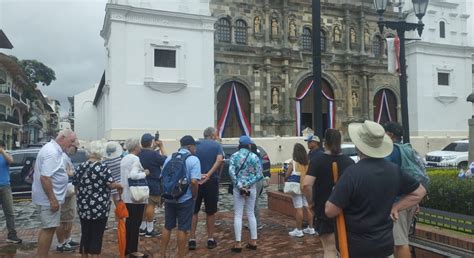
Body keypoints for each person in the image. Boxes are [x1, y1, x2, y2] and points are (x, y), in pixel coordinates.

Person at [325, 120, 426, 258]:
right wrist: (396, 207)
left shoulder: (352, 173)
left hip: (357, 248)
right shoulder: (393, 170)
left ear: (358, 146)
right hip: (385, 245)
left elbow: (330, 210)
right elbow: (419, 192)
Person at [303, 129, 355, 257]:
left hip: (323, 207)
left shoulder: (317, 161)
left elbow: (306, 185)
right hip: (346, 208)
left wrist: (311, 202)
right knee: (346, 247)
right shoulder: (349, 162)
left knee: (330, 248)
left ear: (325, 142)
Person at [73, 140, 123, 258]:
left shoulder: (81, 166)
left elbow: (76, 187)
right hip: (99, 207)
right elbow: (111, 184)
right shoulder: (102, 167)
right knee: (96, 235)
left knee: (85, 233)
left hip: (83, 207)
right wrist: (119, 185)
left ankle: (84, 255)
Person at [32, 129, 77, 258]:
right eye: (71, 141)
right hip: (48, 200)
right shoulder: (52, 152)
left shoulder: (54, 150)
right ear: (62, 138)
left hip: (48, 199)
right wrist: (53, 200)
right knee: (48, 229)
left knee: (48, 228)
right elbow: (45, 178)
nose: (72, 144)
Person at [160, 135, 201, 258]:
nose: (196, 149)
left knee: (168, 226)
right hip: (185, 198)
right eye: (194, 146)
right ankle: (181, 255)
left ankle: (163, 254)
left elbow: (162, 177)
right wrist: (194, 195)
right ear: (190, 146)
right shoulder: (194, 160)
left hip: (169, 197)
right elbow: (194, 182)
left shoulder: (169, 158)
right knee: (182, 228)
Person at [384, 121, 418, 258]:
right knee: (401, 239)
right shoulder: (407, 149)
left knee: (400, 242)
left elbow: (384, 175)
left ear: (390, 134)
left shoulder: (391, 151)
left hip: (398, 204)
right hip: (410, 201)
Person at [189, 127, 223, 250]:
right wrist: (208, 174)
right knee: (210, 211)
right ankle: (210, 239)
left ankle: (192, 239)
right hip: (210, 181)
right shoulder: (216, 145)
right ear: (213, 136)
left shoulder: (195, 145)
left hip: (195, 180)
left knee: (194, 210)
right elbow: (220, 160)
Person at [229, 136, 262, 253]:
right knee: (251, 213)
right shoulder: (254, 156)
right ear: (249, 145)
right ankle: (253, 241)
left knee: (238, 214)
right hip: (251, 188)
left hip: (238, 189)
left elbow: (231, 172)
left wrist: (240, 185)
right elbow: (259, 175)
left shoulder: (234, 156)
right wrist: (248, 184)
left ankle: (238, 243)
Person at [120, 138, 149, 256]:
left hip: (126, 195)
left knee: (129, 223)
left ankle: (127, 248)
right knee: (135, 224)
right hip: (136, 196)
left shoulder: (124, 158)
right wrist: (145, 173)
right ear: (136, 147)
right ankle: (133, 250)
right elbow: (133, 175)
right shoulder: (135, 158)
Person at [138, 133, 167, 238]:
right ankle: (150, 229)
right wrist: (162, 146)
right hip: (153, 183)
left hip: (141, 182)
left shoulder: (138, 153)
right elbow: (165, 161)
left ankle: (142, 227)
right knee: (151, 205)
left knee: (143, 206)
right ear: (151, 143)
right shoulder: (154, 155)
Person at [55, 140, 81, 252]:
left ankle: (67, 240)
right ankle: (61, 243)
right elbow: (64, 173)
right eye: (75, 147)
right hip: (65, 191)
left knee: (68, 218)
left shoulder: (65, 156)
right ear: (70, 146)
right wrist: (71, 174)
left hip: (68, 192)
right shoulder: (62, 157)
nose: (76, 150)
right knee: (62, 219)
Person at [285, 143, 315, 238]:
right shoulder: (307, 162)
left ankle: (299, 230)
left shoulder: (293, 163)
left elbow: (287, 174)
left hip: (296, 187)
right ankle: (311, 228)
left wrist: (285, 177)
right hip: (305, 186)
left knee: (298, 208)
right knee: (307, 207)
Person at [0, 140, 22, 244]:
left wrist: (2, 151)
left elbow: (10, 161)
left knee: (9, 212)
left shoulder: (6, 155)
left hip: (5, 186)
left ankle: (12, 234)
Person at [250, 143, 266, 230]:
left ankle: (257, 223)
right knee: (253, 202)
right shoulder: (257, 156)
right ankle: (254, 222)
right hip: (259, 180)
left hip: (256, 181)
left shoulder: (253, 157)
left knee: (253, 203)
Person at [103, 141, 123, 206]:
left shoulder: (104, 162)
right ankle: (120, 216)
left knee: (116, 204)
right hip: (120, 185)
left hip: (111, 185)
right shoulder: (119, 160)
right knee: (120, 205)